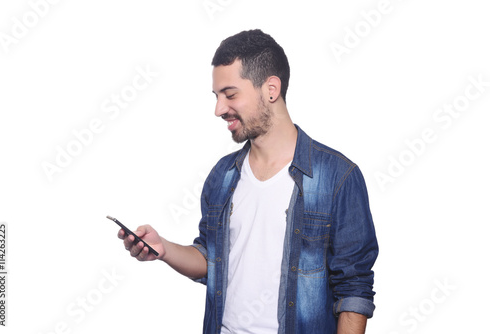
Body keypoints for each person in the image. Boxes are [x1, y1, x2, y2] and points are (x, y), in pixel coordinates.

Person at [118, 29, 378, 334]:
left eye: (230, 94)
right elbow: (211, 259)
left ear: (270, 89)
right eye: (217, 97)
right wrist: (164, 249)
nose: (218, 109)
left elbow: (354, 289)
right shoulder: (223, 175)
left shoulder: (337, 176)